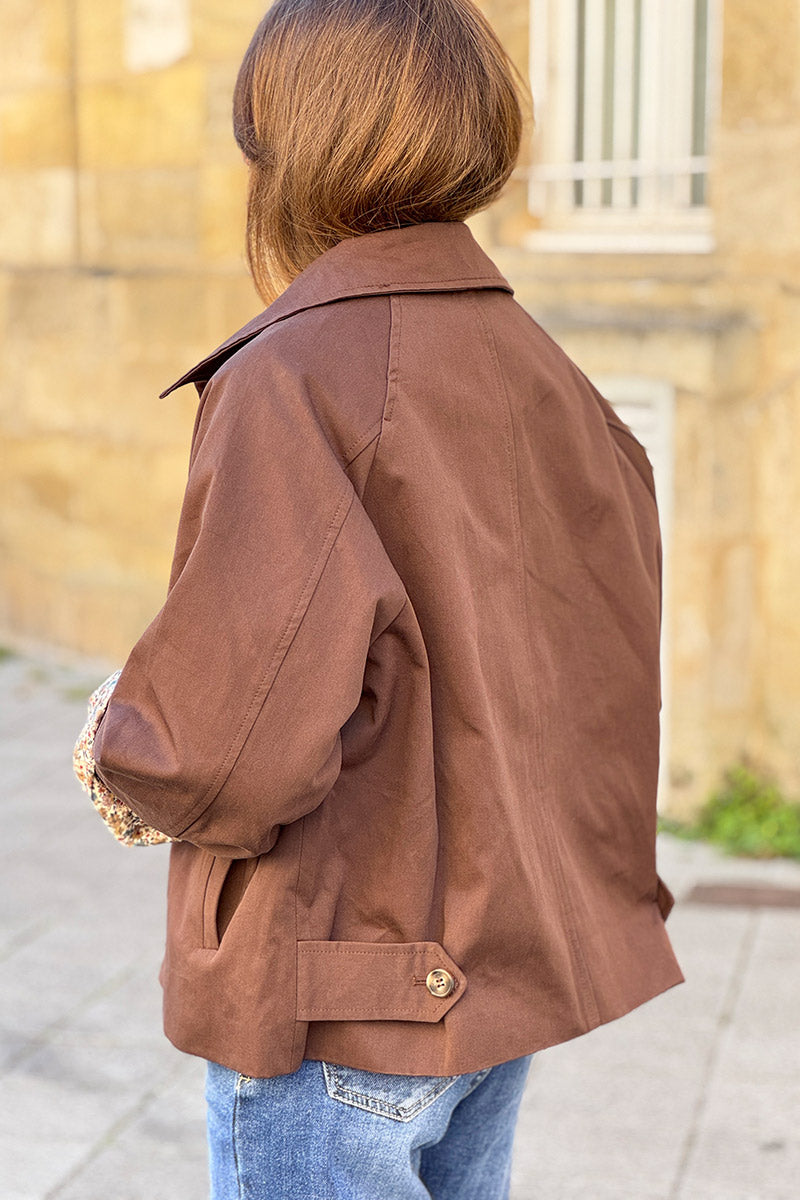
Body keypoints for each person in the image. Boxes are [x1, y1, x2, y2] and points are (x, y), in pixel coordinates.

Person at [74, 1, 684, 1196]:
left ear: (288, 146)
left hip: (339, 992)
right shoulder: (544, 374)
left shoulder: (295, 376)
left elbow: (223, 755)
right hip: (485, 980)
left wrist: (114, 743)